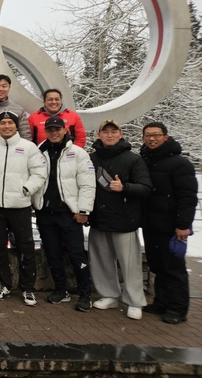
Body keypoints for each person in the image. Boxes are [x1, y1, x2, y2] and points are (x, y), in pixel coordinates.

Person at [89, 119, 151, 320]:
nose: (109, 135)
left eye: (113, 131)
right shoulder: (91, 159)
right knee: (101, 260)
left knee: (129, 263)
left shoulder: (133, 159)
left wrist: (125, 187)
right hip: (99, 218)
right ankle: (108, 294)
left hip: (124, 220)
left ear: (120, 134)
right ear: (99, 135)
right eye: (105, 131)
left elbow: (145, 187)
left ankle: (135, 301)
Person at [32, 116, 95, 312]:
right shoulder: (38, 152)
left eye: (57, 129)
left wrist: (84, 211)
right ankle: (62, 290)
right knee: (52, 253)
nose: (53, 133)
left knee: (77, 254)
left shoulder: (78, 153)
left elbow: (87, 184)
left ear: (65, 130)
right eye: (50, 129)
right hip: (45, 213)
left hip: (69, 213)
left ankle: (85, 294)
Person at [139, 122, 197, 324]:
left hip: (172, 226)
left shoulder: (180, 164)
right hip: (151, 224)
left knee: (174, 268)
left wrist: (183, 225)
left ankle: (178, 308)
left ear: (166, 136)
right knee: (158, 265)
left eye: (156, 135)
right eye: (148, 135)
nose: (152, 139)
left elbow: (187, 197)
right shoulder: (145, 161)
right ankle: (161, 302)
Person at [0, 111, 47, 307]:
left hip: (20, 206)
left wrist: (26, 189)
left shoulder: (28, 148)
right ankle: (3, 284)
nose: (6, 126)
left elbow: (39, 173)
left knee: (26, 247)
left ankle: (28, 287)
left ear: (16, 126)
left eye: (10, 123)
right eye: (2, 123)